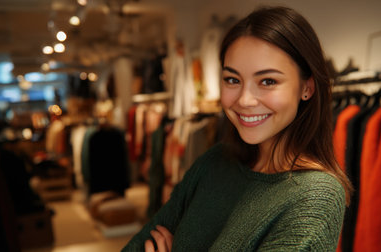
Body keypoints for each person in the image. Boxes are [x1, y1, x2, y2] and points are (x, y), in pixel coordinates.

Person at [122, 6, 352, 252]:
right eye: (233, 80)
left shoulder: (315, 196)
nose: (244, 100)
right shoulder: (215, 161)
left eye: (268, 81)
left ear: (307, 88)